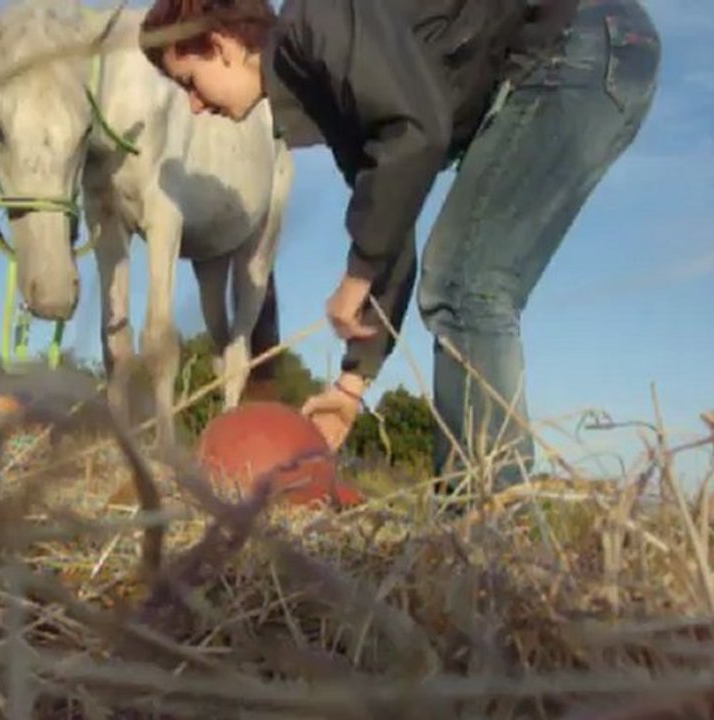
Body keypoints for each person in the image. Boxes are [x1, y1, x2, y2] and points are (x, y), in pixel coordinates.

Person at [140, 0, 661, 487]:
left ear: (222, 45)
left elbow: (418, 131)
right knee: (459, 280)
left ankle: (487, 515)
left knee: (465, 283)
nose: (194, 106)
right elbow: (392, 219)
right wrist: (351, 384)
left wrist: (358, 274)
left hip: (580, 47)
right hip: (599, 56)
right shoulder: (330, 94)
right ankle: (478, 515)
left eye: (189, 81)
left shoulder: (315, 20)